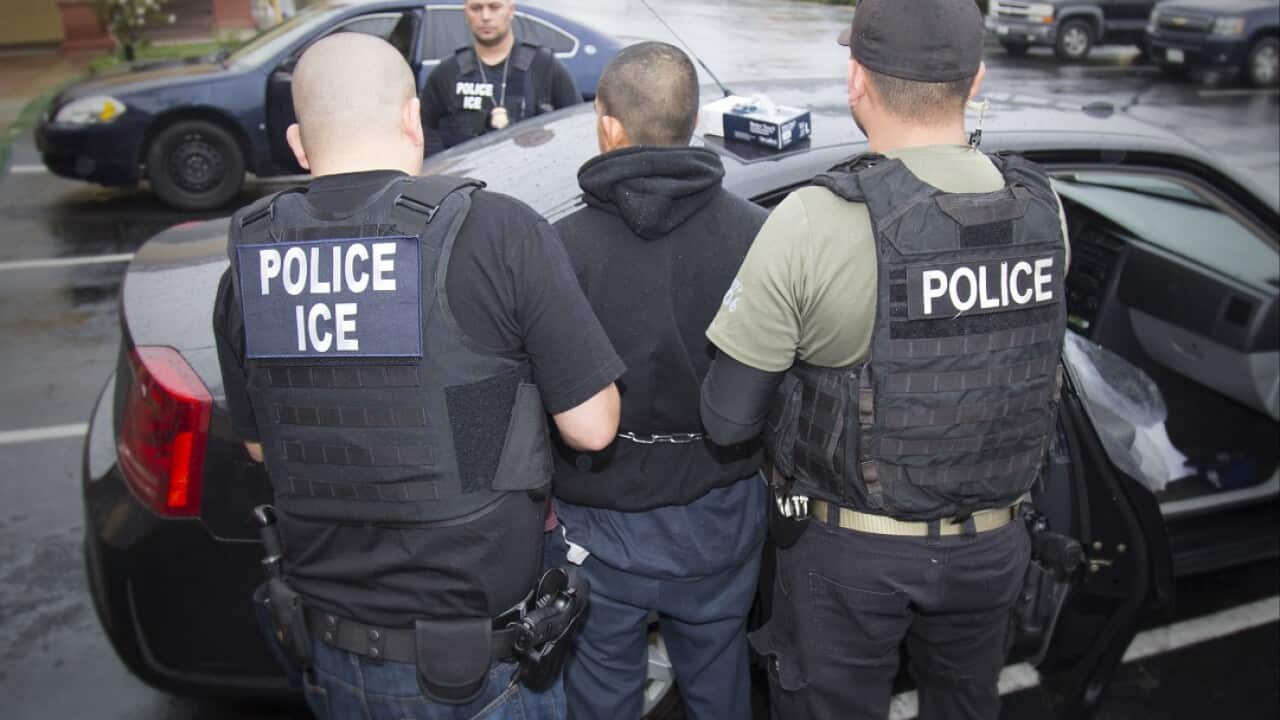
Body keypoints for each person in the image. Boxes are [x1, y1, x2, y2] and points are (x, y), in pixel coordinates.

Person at [212, 33, 624, 720]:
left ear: (298, 143)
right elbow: (594, 424)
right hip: (478, 673)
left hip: (336, 660)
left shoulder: (250, 269)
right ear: (413, 118)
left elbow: (262, 447)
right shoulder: (495, 233)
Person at [699, 1, 1073, 718]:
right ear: (977, 77)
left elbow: (726, 417)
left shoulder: (815, 219)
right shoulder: (1042, 209)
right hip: (994, 546)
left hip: (852, 561)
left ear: (856, 81)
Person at [546, 42, 770, 720]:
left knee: (601, 692)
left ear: (608, 126)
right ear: (692, 123)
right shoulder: (762, 237)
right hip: (721, 521)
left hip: (599, 530)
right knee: (718, 680)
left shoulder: (559, 250)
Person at [421, 0, 581, 154]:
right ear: (465, 12)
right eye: (476, 8)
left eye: (494, 7)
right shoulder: (446, 73)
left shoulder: (544, 66)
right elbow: (424, 130)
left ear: (510, 10)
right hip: (465, 177)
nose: (485, 16)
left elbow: (574, 125)